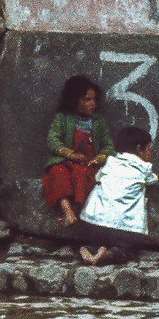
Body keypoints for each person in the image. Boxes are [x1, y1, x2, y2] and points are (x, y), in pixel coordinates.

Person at [77, 124, 155, 265]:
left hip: (95, 222)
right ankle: (106, 255)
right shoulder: (144, 167)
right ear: (139, 149)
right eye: (148, 148)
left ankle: (88, 249)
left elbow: (98, 177)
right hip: (122, 226)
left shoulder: (109, 162)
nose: (149, 153)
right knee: (127, 249)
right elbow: (152, 180)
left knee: (95, 242)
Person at [42, 74, 113, 227]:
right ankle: (67, 211)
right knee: (57, 173)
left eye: (94, 99)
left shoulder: (98, 122)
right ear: (74, 101)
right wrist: (70, 154)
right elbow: (52, 140)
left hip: (86, 165)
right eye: (87, 99)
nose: (92, 104)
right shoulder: (62, 118)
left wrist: (99, 158)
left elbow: (108, 147)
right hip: (64, 162)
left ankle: (73, 213)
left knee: (82, 176)